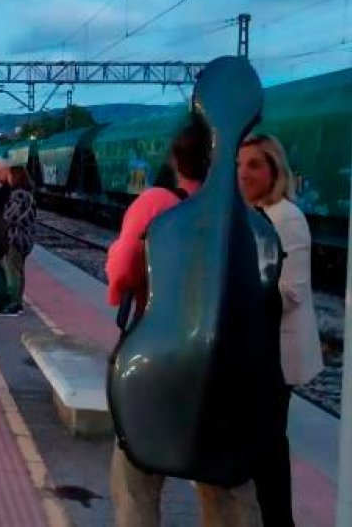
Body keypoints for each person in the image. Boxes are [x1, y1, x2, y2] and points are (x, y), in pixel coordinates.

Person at [106, 114, 262, 527]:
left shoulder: (157, 203)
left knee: (135, 479)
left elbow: (121, 273)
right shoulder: (246, 215)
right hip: (228, 368)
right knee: (227, 488)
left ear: (178, 159)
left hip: (158, 358)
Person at [238, 134, 324, 527]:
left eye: (255, 164)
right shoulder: (254, 213)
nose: (244, 172)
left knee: (269, 450)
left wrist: (237, 301)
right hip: (257, 352)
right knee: (262, 448)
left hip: (276, 355)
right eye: (239, 164)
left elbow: (291, 290)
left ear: (275, 170)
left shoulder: (286, 217)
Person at [0, 166, 35, 317]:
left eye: (9, 175)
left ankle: (13, 304)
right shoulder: (28, 194)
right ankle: (17, 303)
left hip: (16, 237)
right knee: (19, 271)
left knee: (13, 271)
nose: (7, 178)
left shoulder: (18, 195)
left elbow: (9, 216)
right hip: (25, 238)